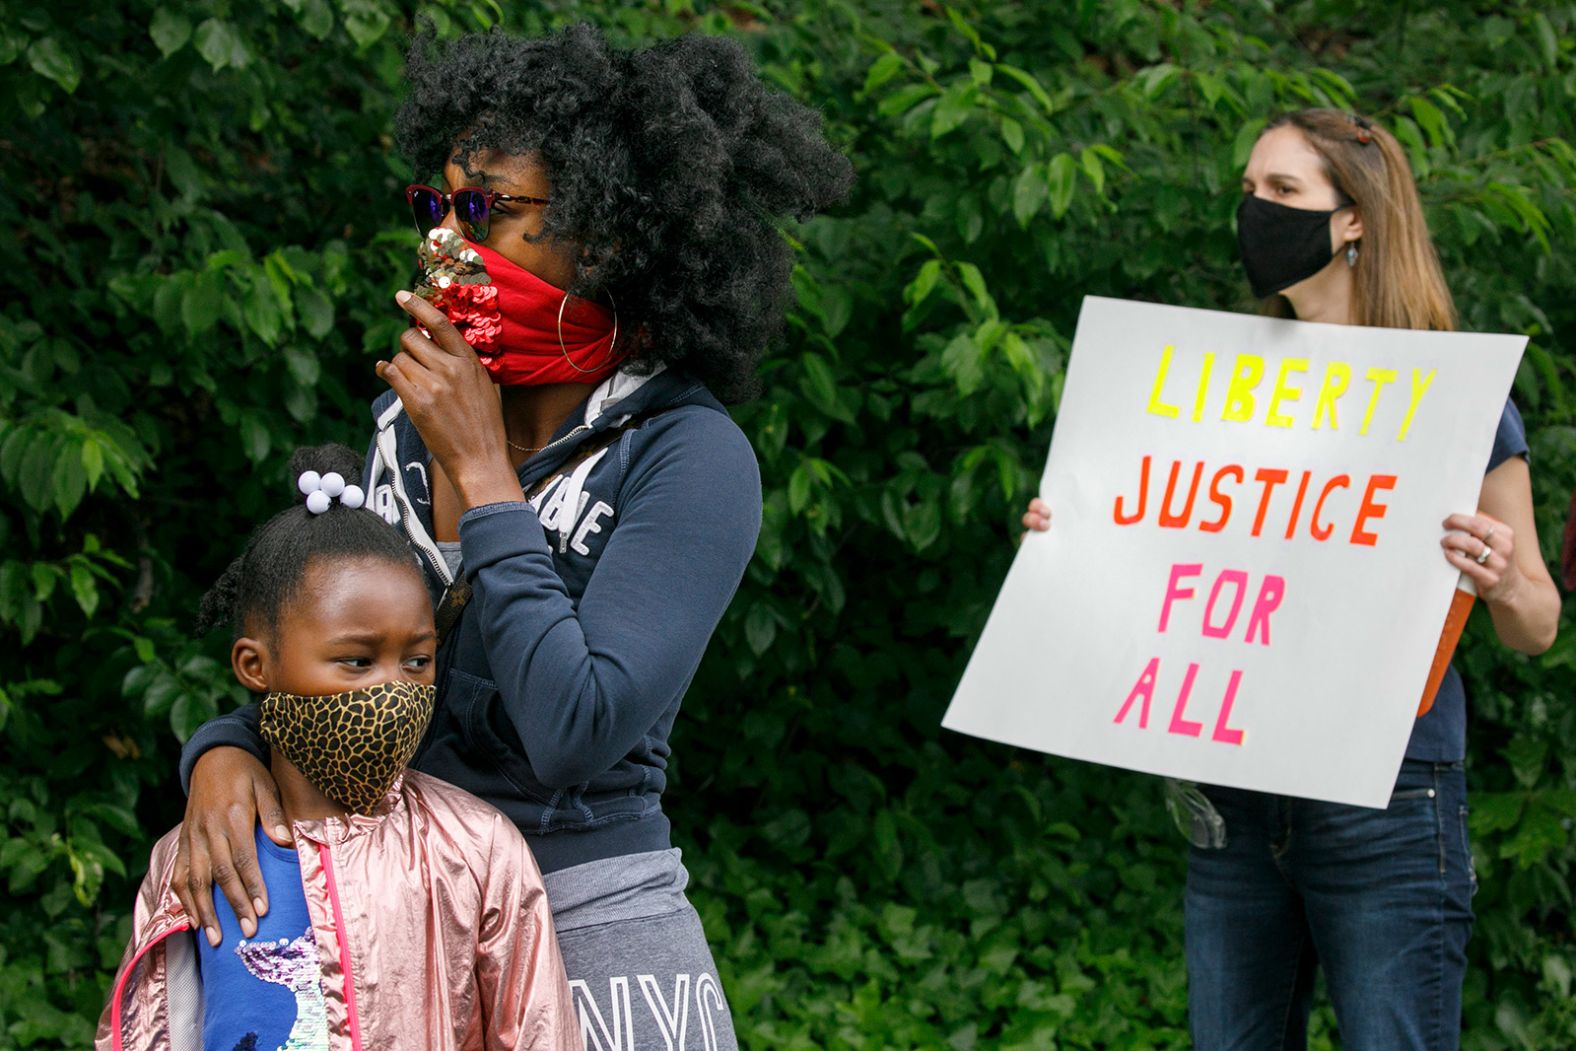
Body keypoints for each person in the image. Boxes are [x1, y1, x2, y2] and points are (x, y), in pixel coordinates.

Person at [173, 25, 852, 1050]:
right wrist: (225, 750)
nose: (446, 238)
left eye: (489, 207)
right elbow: (348, 660)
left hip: (588, 933)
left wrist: (486, 478)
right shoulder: (405, 424)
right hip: (407, 917)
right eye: (437, 202)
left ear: (609, 235)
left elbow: (573, 730)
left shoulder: (689, 455)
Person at [1023, 109, 1561, 1050]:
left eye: (1284, 192)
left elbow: (1538, 623)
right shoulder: (1213, 388)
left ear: (1354, 218)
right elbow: (1171, 562)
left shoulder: (1453, 397)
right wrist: (1077, 536)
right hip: (1236, 789)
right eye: (1248, 190)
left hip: (1387, 799)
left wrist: (1505, 578)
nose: (1256, 211)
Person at [98, 445, 578, 1051]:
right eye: (356, 660)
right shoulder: (193, 854)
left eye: (417, 661)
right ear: (255, 666)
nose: (393, 690)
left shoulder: (476, 849)